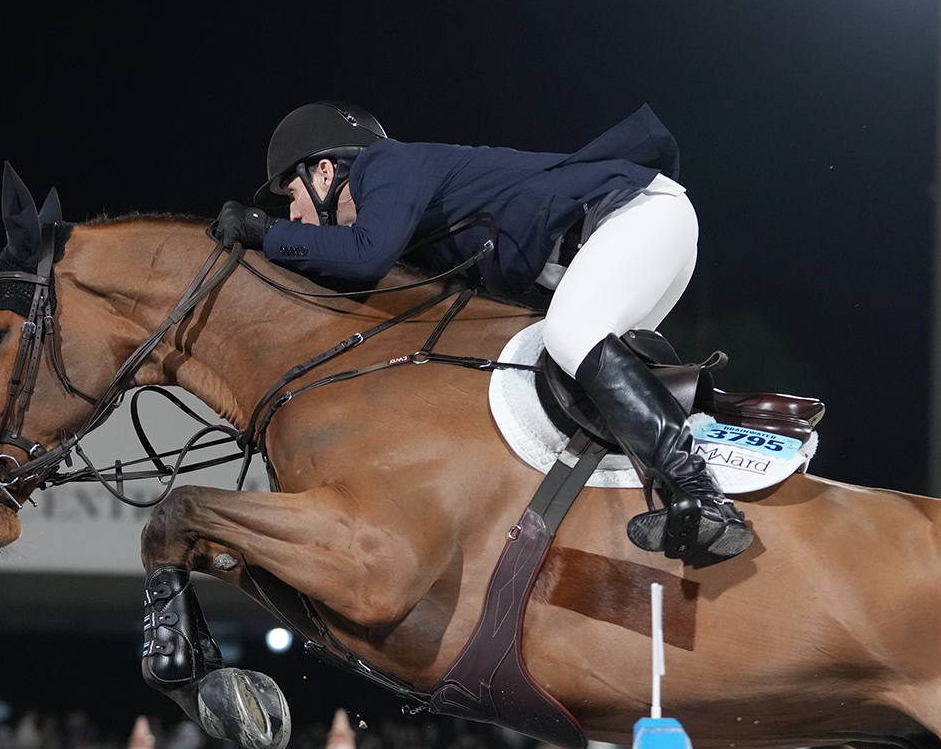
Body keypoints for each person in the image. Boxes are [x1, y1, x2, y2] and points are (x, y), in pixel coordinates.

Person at [211, 102, 751, 564]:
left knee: (570, 333)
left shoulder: (385, 164)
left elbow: (363, 256)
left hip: (633, 215)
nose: (294, 214)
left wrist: (268, 234)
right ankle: (672, 494)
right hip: (629, 236)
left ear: (324, 172)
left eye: (291, 199)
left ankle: (703, 495)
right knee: (571, 380)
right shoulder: (408, 222)